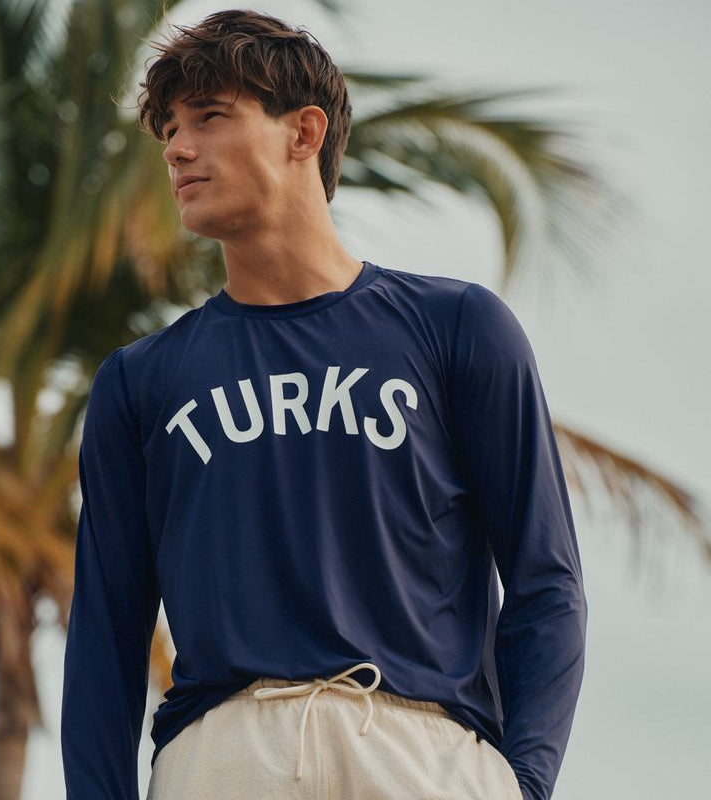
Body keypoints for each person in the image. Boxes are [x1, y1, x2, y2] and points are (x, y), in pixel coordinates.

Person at [60, 9, 587, 800]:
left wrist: (524, 783)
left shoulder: (457, 329)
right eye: (169, 127)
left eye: (209, 117)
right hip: (223, 756)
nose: (176, 148)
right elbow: (106, 632)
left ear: (303, 132)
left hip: (421, 750)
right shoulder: (141, 381)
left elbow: (547, 582)